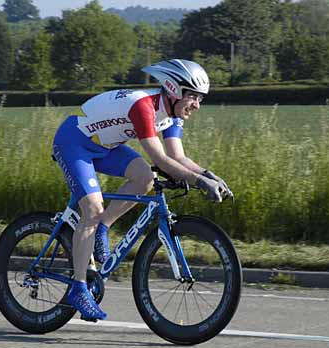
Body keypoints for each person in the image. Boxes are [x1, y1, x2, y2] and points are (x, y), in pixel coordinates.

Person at [52, 59, 232, 321]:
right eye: (192, 97)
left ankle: (103, 226)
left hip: (105, 147)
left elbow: (177, 157)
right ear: (173, 90)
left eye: (200, 99)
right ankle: (78, 288)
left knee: (144, 178)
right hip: (74, 143)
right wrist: (198, 182)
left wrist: (208, 175)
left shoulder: (171, 114)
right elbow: (161, 159)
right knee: (91, 209)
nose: (196, 105)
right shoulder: (144, 106)